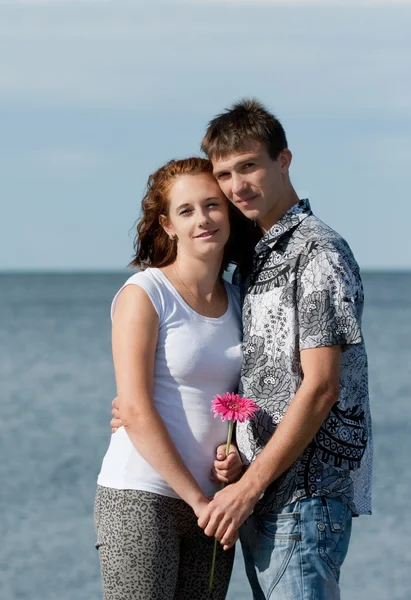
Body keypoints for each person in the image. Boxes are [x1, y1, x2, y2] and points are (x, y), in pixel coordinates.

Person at [111, 100, 373, 600]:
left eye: (249, 166)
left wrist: (245, 489)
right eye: (225, 174)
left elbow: (320, 388)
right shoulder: (251, 264)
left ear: (284, 161)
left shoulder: (316, 252)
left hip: (303, 496)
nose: (237, 186)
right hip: (249, 499)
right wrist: (137, 404)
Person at [94, 156, 258, 600]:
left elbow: (241, 398)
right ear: (167, 224)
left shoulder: (243, 301)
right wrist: (197, 500)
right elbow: (133, 407)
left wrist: (235, 455)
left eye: (212, 205)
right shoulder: (145, 293)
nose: (202, 219)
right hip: (143, 497)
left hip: (214, 506)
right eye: (186, 210)